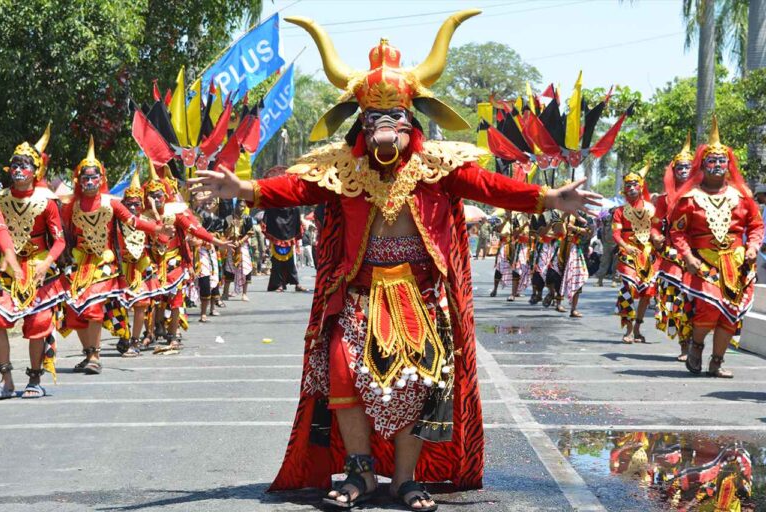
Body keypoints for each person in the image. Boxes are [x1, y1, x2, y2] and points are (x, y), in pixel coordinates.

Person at [190, 10, 599, 509]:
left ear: (411, 122)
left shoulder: (438, 165)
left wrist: (549, 197)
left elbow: (491, 186)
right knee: (341, 373)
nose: (385, 129)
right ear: (361, 124)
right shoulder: (341, 167)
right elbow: (293, 187)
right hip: (359, 295)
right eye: (374, 120)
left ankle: (406, 479)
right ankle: (359, 474)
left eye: (394, 119)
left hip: (420, 297)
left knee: (421, 382)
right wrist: (246, 189)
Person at [61, 139, 173, 374]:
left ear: (101, 179)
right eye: (85, 178)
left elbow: (133, 221)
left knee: (93, 307)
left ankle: (95, 355)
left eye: (94, 177)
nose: (90, 182)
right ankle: (88, 351)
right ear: (78, 181)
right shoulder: (71, 207)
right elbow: (65, 236)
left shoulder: (111, 203)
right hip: (80, 264)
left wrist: (157, 229)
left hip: (104, 262)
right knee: (72, 311)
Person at [669, 117, 764, 378]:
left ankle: (717, 361)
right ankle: (696, 347)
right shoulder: (689, 199)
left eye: (722, 161)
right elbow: (677, 231)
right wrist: (687, 255)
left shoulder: (742, 195)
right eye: (712, 160)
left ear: (729, 164)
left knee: (730, 315)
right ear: (702, 164)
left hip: (736, 264)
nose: (718, 165)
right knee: (709, 308)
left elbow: (756, 226)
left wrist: (753, 246)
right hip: (704, 263)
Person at [0, 126, 63, 399]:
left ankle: (34, 379)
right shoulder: (1, 199)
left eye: (25, 164)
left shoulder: (47, 201)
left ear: (36, 170)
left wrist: (46, 263)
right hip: (8, 267)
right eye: (15, 164)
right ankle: (6, 379)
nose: (18, 169)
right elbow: (1, 234)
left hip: (39, 269)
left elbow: (60, 240)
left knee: (37, 324)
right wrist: (13, 266)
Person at [141, 163, 230, 352]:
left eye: (159, 195)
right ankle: (149, 333)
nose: (156, 199)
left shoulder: (175, 213)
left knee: (175, 300)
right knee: (150, 300)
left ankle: (173, 336)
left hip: (174, 263)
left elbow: (195, 229)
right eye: (152, 195)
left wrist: (216, 241)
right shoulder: (143, 216)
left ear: (165, 195)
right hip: (152, 264)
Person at [653, 134, 695, 361]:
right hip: (672, 256)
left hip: (701, 254)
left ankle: (697, 345)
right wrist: (656, 236)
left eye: (688, 166)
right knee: (677, 300)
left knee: (700, 303)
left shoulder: (703, 194)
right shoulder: (663, 199)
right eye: (680, 166)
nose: (684, 170)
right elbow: (654, 225)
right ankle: (684, 344)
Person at [612, 163, 660, 344]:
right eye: (628, 185)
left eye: (635, 185)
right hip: (628, 253)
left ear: (641, 187)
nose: (631, 188)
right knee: (628, 288)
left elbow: (657, 229)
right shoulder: (619, 211)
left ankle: (638, 328)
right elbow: (616, 234)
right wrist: (625, 245)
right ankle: (629, 329)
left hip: (647, 254)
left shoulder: (651, 209)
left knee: (648, 293)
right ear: (624, 189)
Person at [117, 171, 163, 356]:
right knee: (119, 305)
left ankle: (134, 342)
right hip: (120, 269)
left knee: (140, 304)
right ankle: (124, 336)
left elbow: (163, 240)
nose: (133, 207)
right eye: (129, 204)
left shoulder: (147, 221)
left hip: (141, 268)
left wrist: (155, 215)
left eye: (137, 203)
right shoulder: (117, 222)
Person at [195, 197, 226, 322]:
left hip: (213, 251)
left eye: (210, 203)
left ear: (216, 205)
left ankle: (212, 308)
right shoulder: (198, 217)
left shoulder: (218, 220)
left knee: (215, 279)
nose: (208, 206)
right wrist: (203, 239)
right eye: (206, 203)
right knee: (204, 279)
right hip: (200, 251)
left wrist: (211, 237)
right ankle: (203, 312)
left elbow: (219, 234)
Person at [223, 201, 255, 301]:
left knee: (246, 269)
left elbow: (250, 233)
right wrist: (230, 228)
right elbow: (224, 233)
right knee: (229, 269)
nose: (242, 208)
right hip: (231, 245)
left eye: (243, 207)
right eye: (240, 206)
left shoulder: (247, 218)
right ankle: (225, 293)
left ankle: (244, 294)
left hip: (243, 246)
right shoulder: (228, 218)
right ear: (236, 205)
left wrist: (240, 241)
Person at [596, 208, 619, 287]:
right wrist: (604, 242)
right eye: (613, 212)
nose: (614, 214)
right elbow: (602, 232)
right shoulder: (606, 220)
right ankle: (600, 280)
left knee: (616, 264)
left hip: (617, 244)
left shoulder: (620, 220)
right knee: (604, 262)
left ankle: (614, 280)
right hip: (607, 244)